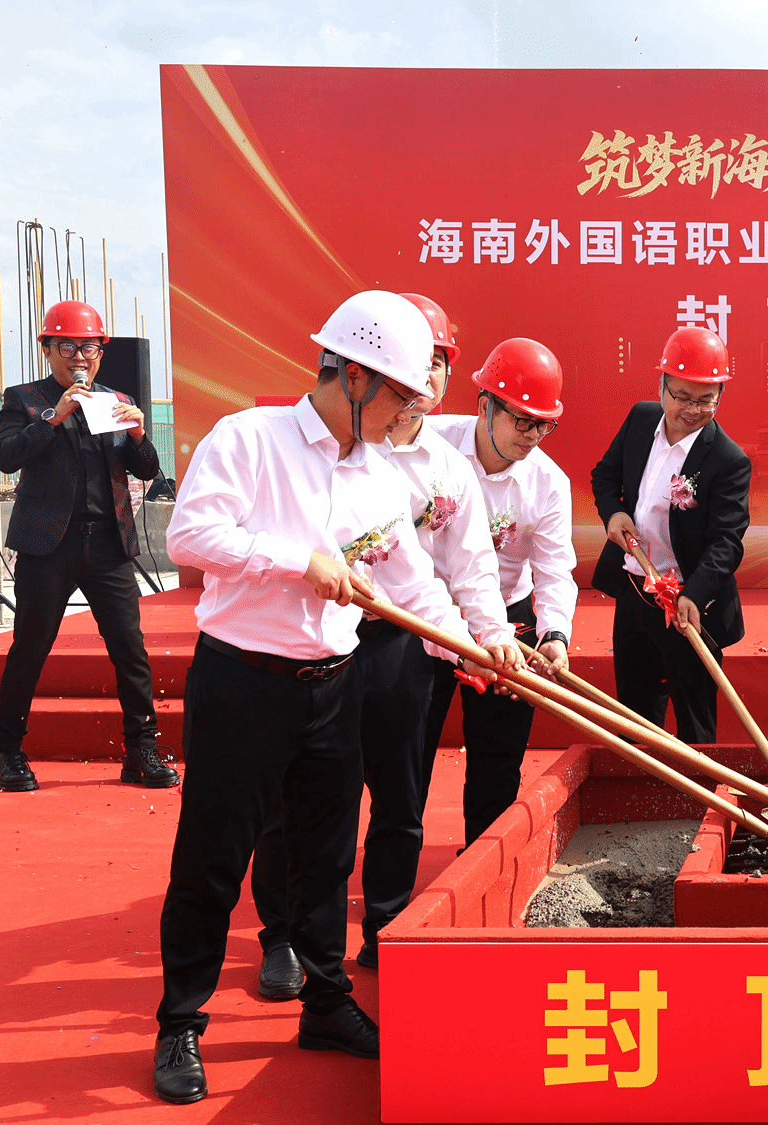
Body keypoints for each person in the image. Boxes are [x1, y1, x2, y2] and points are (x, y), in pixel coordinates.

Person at [154, 291, 514, 1104]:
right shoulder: (249, 438)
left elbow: (412, 584)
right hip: (243, 680)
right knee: (214, 856)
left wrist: (477, 644)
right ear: (352, 376)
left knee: (325, 854)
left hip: (332, 685)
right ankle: (181, 1019)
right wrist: (299, 560)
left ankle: (325, 999)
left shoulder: (378, 475)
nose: (409, 414)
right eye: (399, 396)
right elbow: (190, 535)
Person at [247, 293, 515, 991]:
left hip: (403, 640)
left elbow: (467, 571)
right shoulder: (317, 449)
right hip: (309, 641)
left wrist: (488, 639)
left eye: (436, 366)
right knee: (294, 796)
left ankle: (387, 926)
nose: (421, 383)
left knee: (400, 793)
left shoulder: (447, 467)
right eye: (408, 368)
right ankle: (282, 935)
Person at [0, 300, 173, 792]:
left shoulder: (116, 399)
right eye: (67, 346)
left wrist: (138, 434)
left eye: (89, 347)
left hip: (108, 544)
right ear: (47, 349)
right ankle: (6, 751)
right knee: (30, 647)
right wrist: (54, 416)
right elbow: (5, 457)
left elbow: (146, 470)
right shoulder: (25, 399)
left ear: (100, 352)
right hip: (48, 546)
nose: (79, 356)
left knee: (130, 650)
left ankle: (142, 751)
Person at [422, 337, 578, 845]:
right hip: (424, 614)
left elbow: (554, 569)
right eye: (522, 420)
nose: (533, 436)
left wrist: (555, 635)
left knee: (498, 755)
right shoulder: (430, 446)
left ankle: (482, 865)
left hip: (507, 620)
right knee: (407, 750)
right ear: (484, 405)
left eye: (544, 424)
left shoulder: (548, 482)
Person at [590, 326, 751, 742]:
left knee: (695, 722)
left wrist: (694, 594)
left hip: (688, 604)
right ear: (662, 385)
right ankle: (645, 781)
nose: (692, 409)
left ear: (720, 395)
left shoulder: (728, 460)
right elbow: (604, 476)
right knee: (637, 715)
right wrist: (613, 514)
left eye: (705, 399)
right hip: (635, 587)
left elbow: (726, 541)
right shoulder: (641, 420)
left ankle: (699, 783)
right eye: (681, 396)